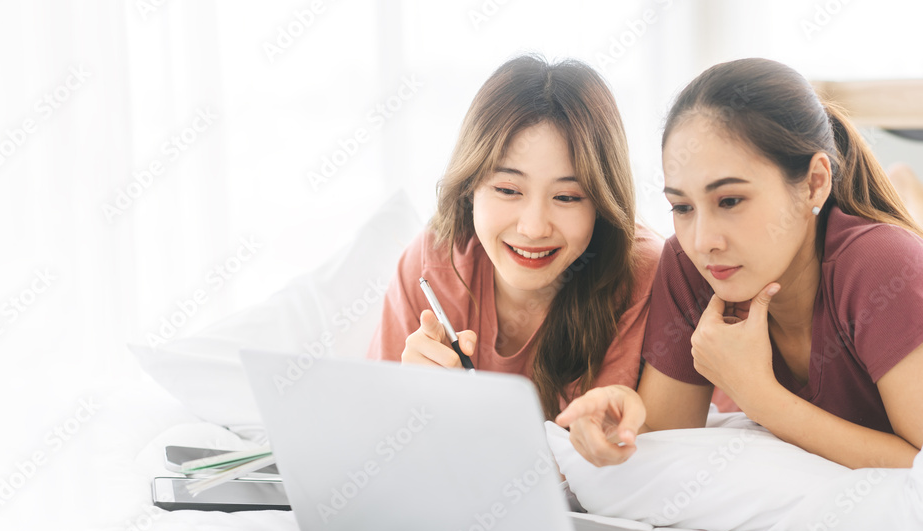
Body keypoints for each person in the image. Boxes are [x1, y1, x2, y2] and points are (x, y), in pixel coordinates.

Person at [558, 58, 923, 470]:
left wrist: (761, 397)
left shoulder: (882, 265)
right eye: (682, 206)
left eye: (730, 201)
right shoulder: (688, 263)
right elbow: (671, 440)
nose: (703, 241)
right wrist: (625, 419)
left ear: (815, 183)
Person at [367, 54, 663, 418]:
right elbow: (375, 430)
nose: (534, 228)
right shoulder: (431, 262)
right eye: (508, 190)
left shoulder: (644, 275)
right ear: (470, 186)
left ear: (602, 204)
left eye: (567, 197)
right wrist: (413, 402)